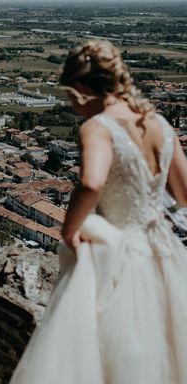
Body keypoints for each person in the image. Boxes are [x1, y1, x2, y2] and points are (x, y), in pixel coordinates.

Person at [10, 40, 187, 384]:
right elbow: (184, 191)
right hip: (163, 252)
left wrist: (69, 230)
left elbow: (91, 182)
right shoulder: (159, 124)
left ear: (79, 89)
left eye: (69, 97)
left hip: (118, 255)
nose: (72, 106)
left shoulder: (98, 127)